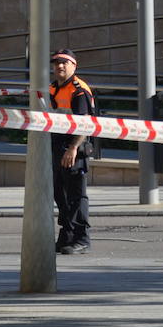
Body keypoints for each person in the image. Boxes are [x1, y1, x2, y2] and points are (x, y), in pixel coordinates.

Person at [48, 48, 94, 255]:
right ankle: (66, 234)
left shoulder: (79, 90)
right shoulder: (52, 88)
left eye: (64, 62)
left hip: (75, 148)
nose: (59, 66)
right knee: (59, 193)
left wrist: (74, 148)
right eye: (56, 62)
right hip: (57, 146)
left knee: (76, 195)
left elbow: (85, 123)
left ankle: (81, 238)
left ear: (74, 66)